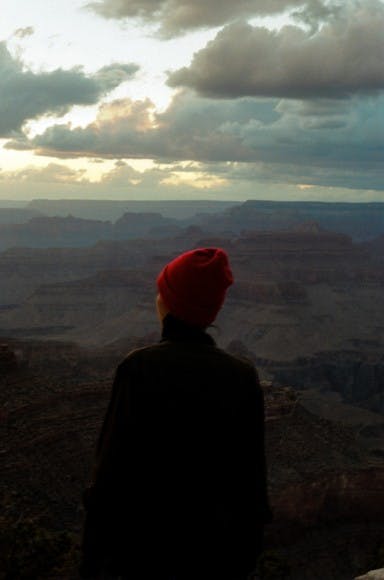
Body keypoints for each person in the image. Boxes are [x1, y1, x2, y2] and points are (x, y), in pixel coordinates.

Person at [80, 247, 271, 580]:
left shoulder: (139, 369)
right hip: (216, 557)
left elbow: (109, 477)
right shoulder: (241, 376)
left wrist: (93, 563)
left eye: (162, 291)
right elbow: (251, 480)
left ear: (168, 304)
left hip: (143, 556)